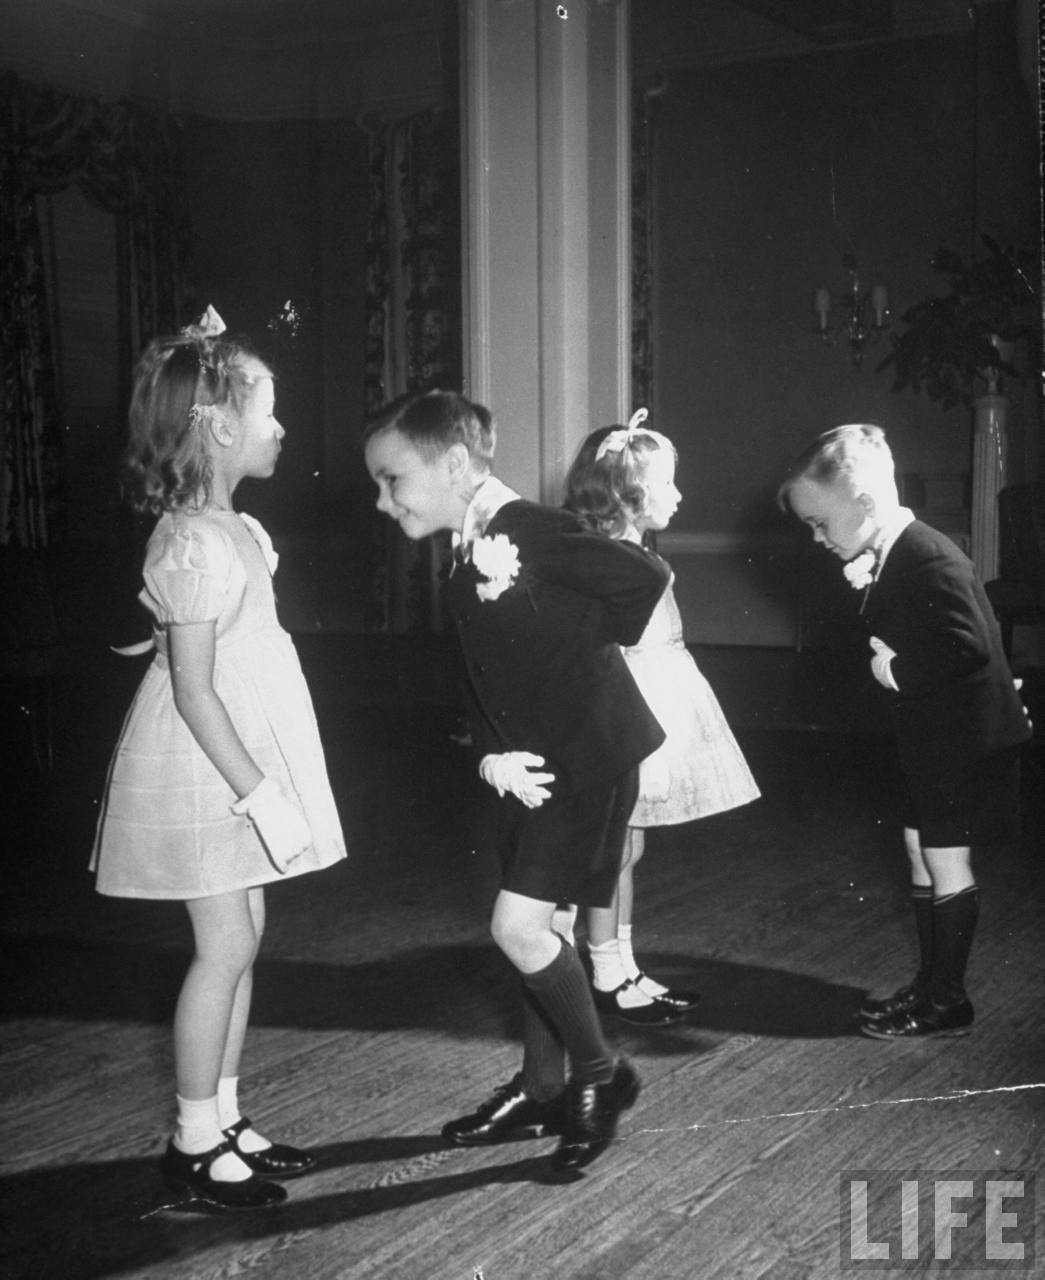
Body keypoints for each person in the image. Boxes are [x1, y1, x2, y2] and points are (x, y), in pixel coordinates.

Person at [363, 389, 669, 1176]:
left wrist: (576, 663)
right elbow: (482, 671)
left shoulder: (526, 527)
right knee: (544, 929)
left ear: (453, 464)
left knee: (519, 929)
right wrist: (488, 755)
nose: (382, 500)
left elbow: (641, 577)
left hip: (588, 756)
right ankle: (540, 1087)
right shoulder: (467, 547)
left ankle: (601, 1076)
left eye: (392, 480)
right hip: (528, 767)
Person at [91, 306, 347, 1208]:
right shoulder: (193, 540)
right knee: (224, 944)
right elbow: (195, 690)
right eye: (269, 411)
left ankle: (225, 1117)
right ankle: (192, 1141)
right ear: (220, 427)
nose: (282, 428)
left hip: (238, 748)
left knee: (245, 937)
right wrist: (261, 795)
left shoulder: (230, 527)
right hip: (209, 765)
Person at [777, 423, 1031, 1039]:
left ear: (864, 504)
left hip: (961, 744)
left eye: (820, 523)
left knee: (945, 861)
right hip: (931, 739)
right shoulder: (891, 551)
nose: (817, 537)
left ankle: (947, 1001)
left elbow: (968, 645)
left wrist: (895, 670)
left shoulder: (927, 554)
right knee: (919, 851)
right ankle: (930, 984)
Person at [563, 412, 760, 1025]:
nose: (678, 496)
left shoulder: (638, 552)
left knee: (629, 847)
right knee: (611, 850)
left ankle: (623, 964)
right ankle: (605, 970)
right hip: (626, 710)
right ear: (628, 495)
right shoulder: (610, 561)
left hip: (656, 699)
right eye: (667, 484)